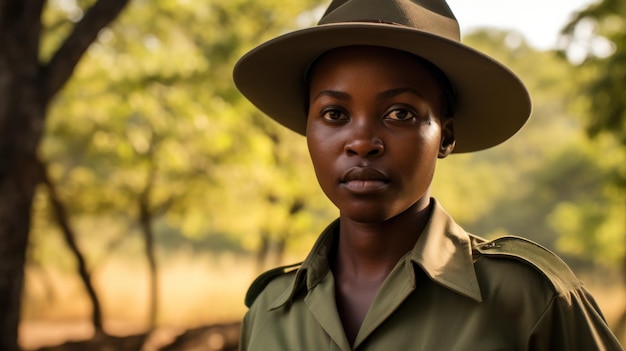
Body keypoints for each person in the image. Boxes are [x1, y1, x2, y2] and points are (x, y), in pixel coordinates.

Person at [232, 0, 624, 350]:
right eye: (335, 115)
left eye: (400, 113)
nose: (362, 142)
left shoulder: (529, 300)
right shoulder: (269, 310)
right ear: (309, 131)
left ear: (445, 136)